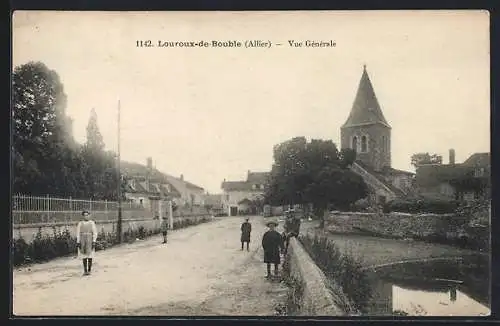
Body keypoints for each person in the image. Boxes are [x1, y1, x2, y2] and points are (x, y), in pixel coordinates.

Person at [76, 210, 98, 276]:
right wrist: (78, 242)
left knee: (90, 255)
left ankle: (89, 270)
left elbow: (95, 232)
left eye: (87, 215)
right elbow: (78, 233)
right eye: (84, 215)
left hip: (90, 239)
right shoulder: (80, 223)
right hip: (82, 239)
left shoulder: (92, 223)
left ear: (89, 215)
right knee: (84, 256)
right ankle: (85, 270)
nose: (86, 216)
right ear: (83, 216)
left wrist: (94, 241)